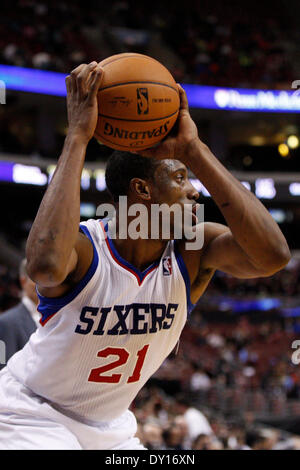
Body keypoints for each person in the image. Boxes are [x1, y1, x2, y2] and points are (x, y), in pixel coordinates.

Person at [0, 61, 290, 450]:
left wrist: (194, 150)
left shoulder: (193, 250)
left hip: (111, 427)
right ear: (142, 190)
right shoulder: (87, 248)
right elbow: (44, 267)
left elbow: (273, 255)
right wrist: (78, 138)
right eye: (180, 177)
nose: (195, 191)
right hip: (31, 413)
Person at [0, 259, 38, 370]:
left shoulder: (56, 319)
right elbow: (3, 368)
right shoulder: (6, 322)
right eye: (36, 278)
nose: (42, 284)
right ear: (23, 281)